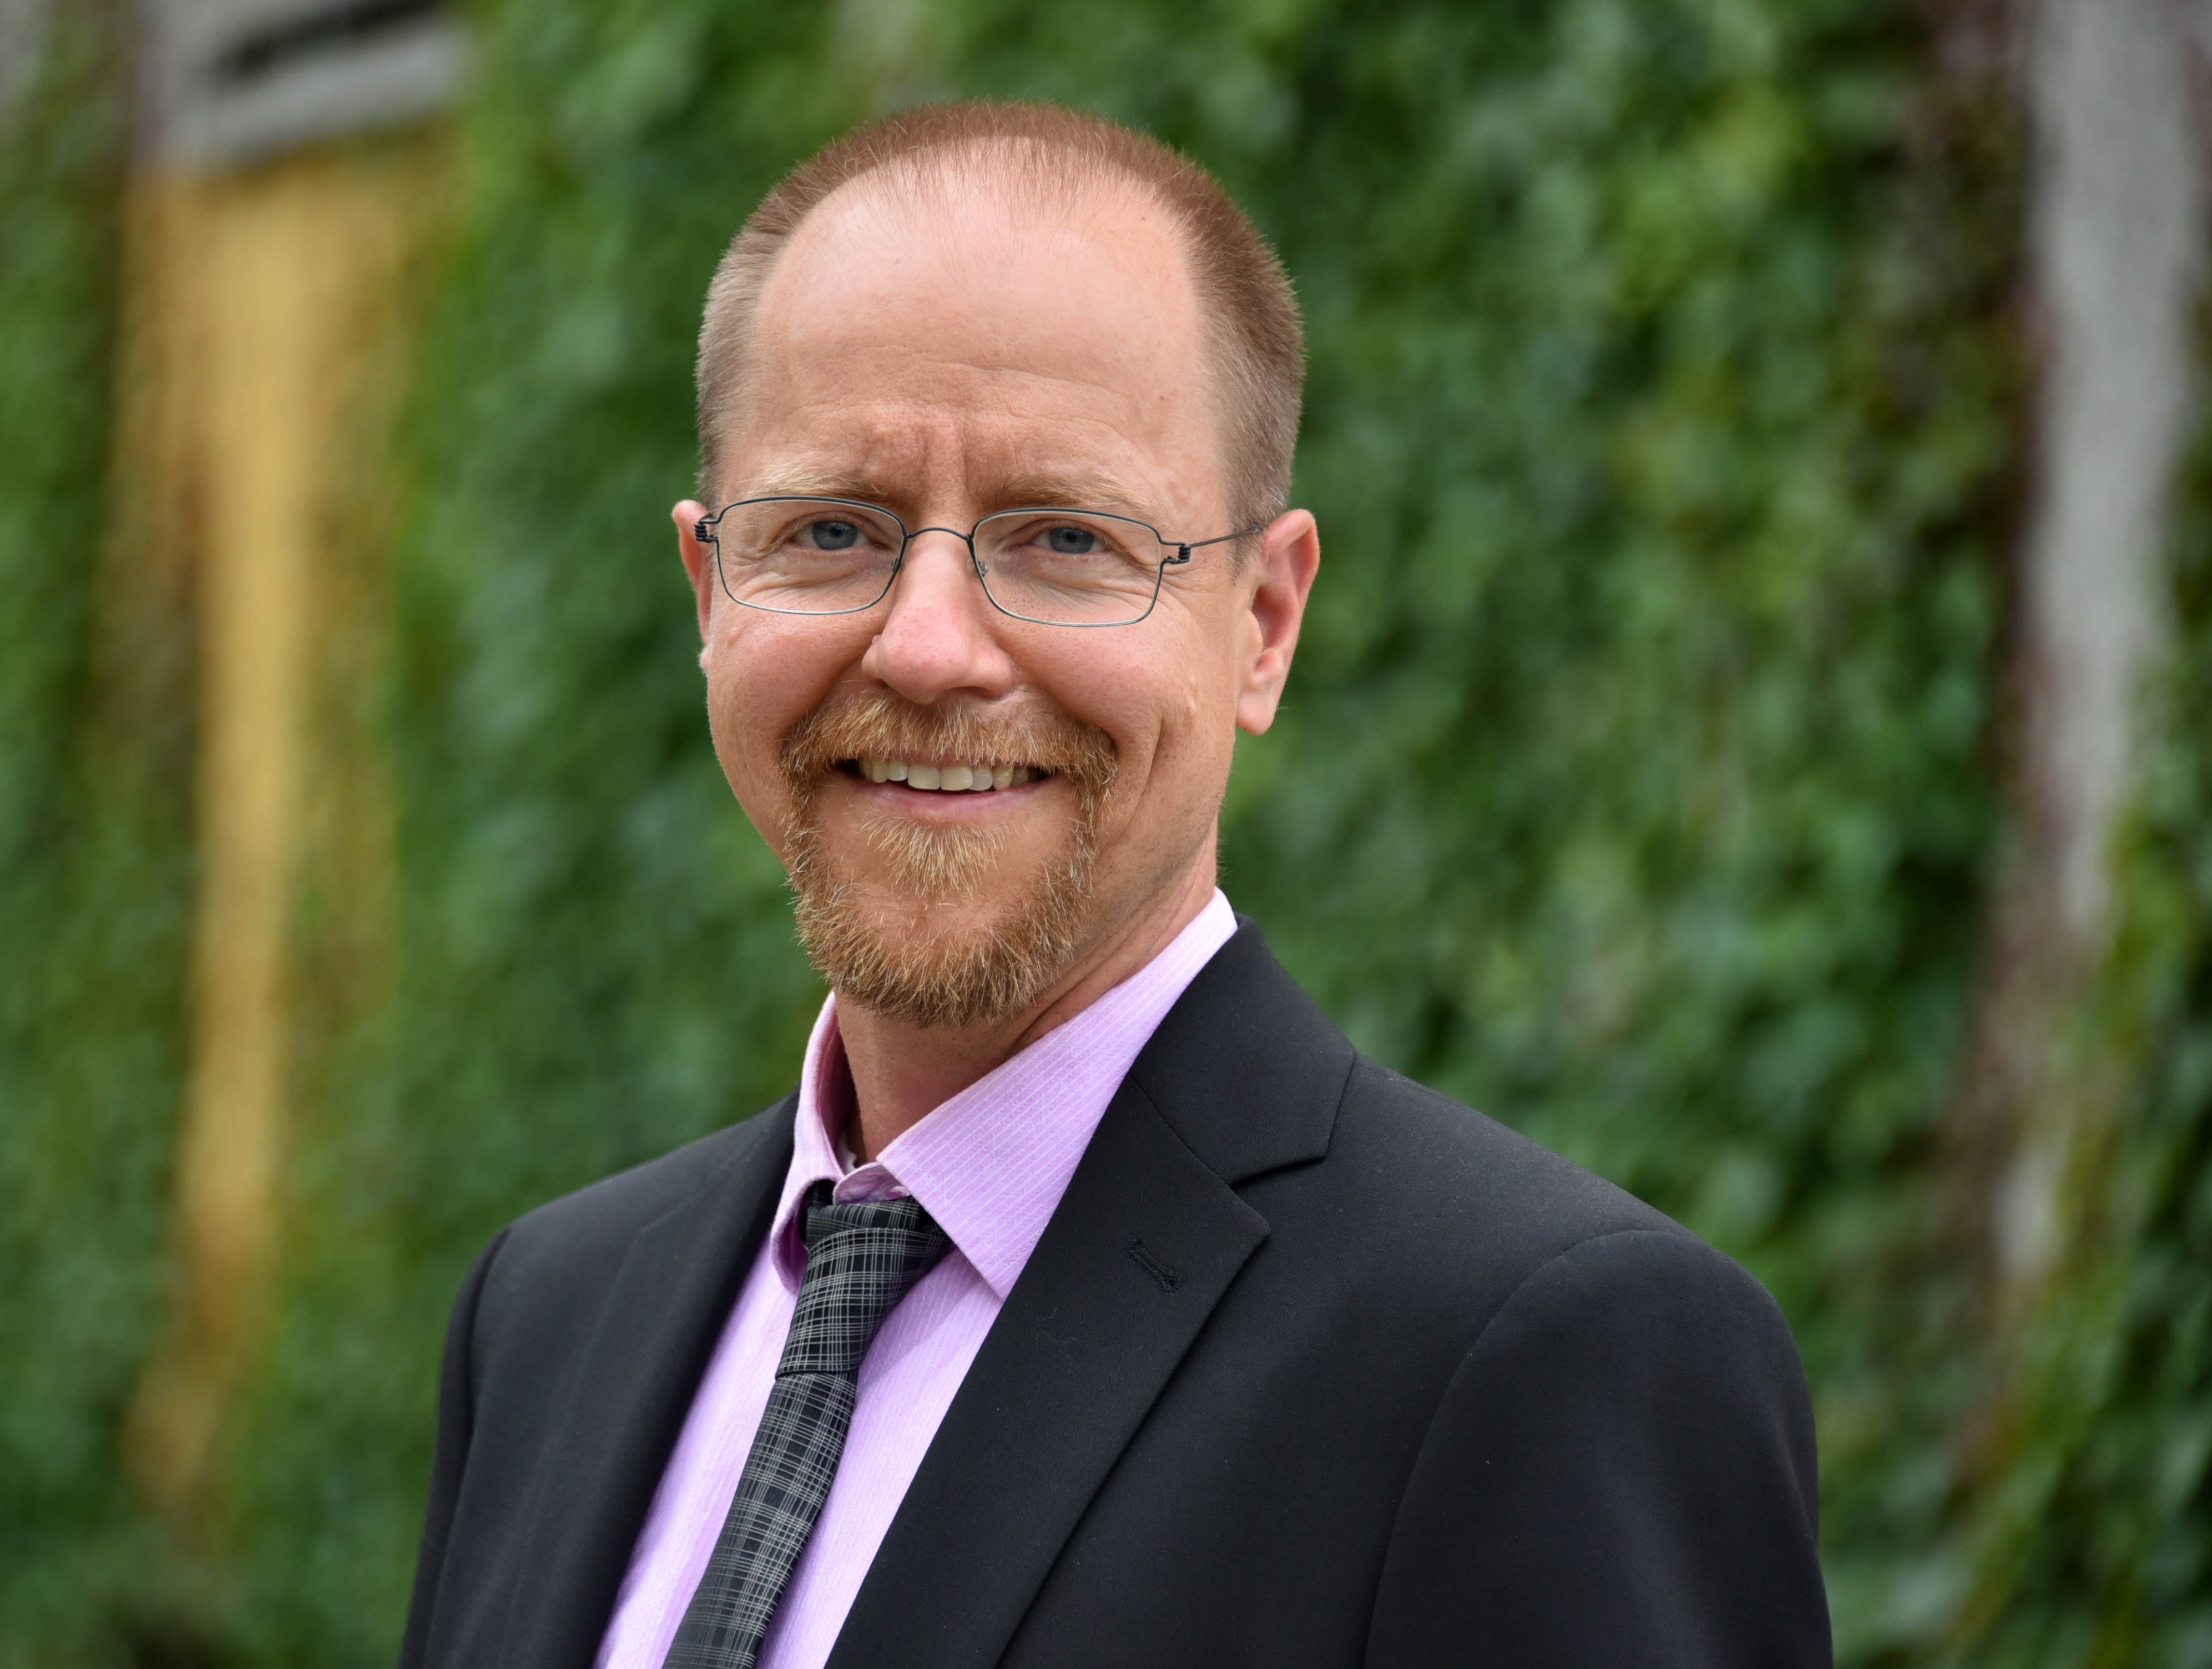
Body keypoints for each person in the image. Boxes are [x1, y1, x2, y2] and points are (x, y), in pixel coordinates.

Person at [396, 100, 1832, 1669]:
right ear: (709, 592)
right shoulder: (548, 1316)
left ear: (1263, 623)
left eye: (1067, 540)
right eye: (831, 530)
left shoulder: (1540, 1356)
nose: (927, 648)